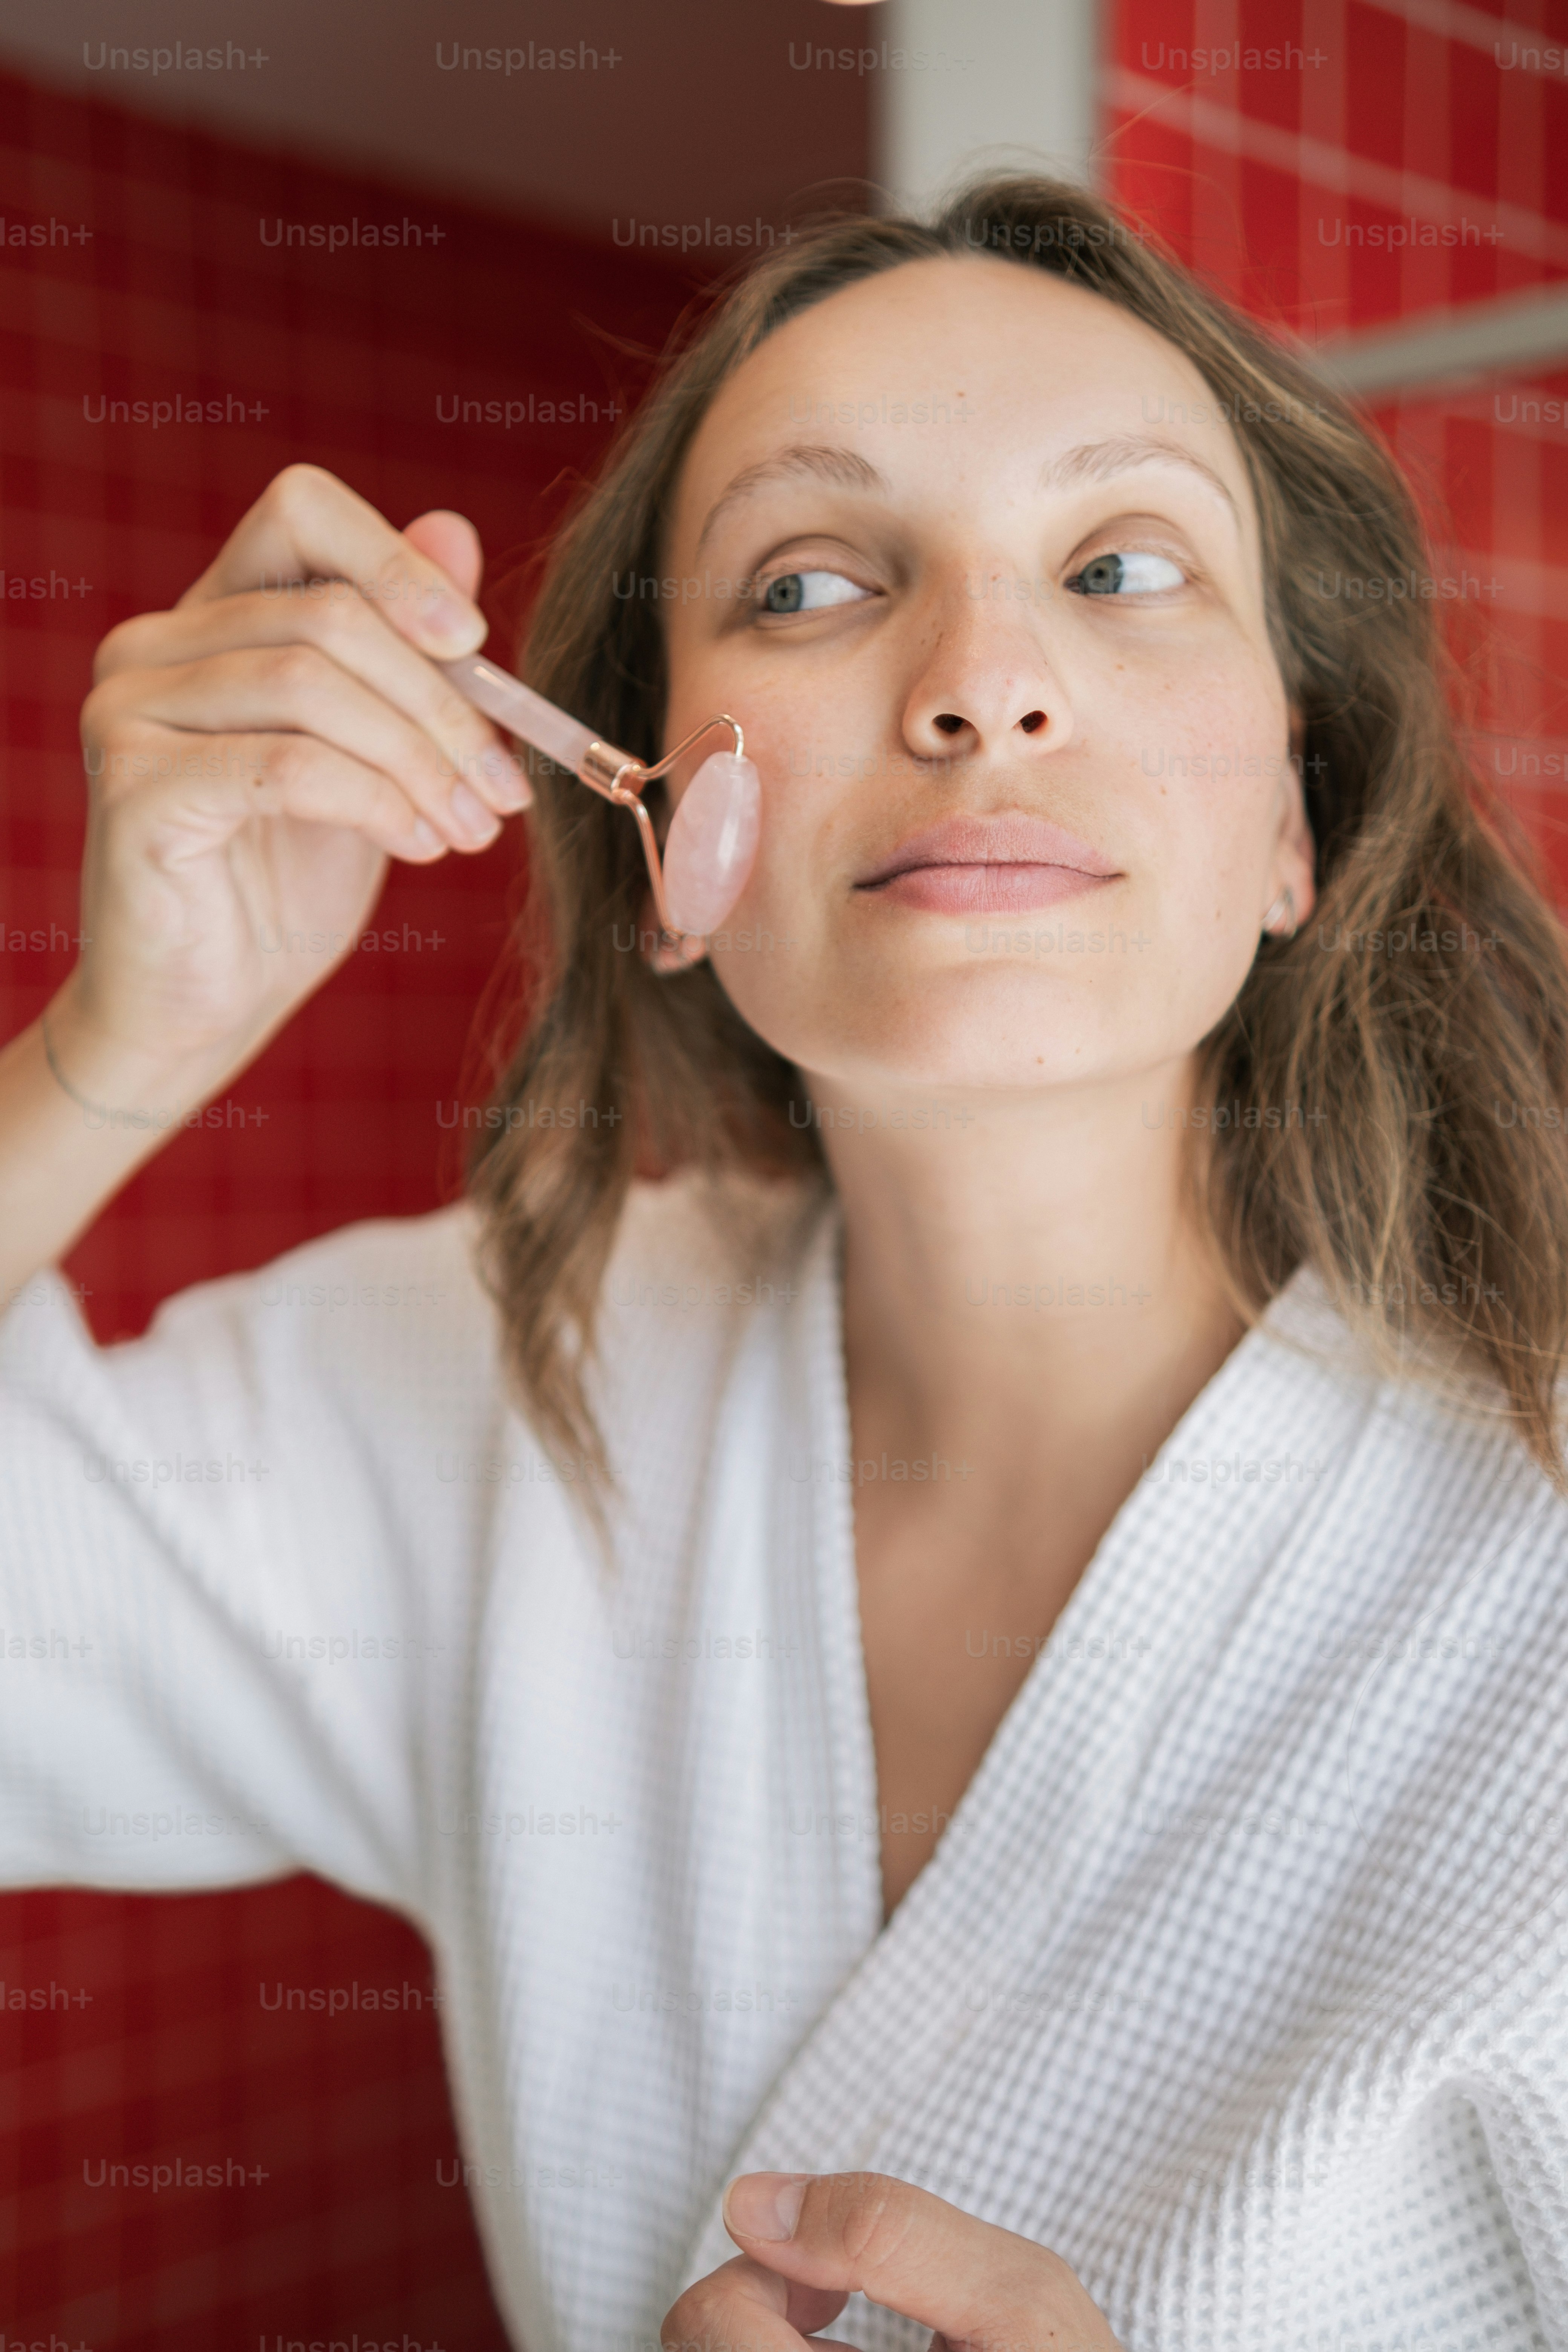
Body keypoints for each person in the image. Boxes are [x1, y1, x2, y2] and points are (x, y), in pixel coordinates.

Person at [2, 173, 1566, 2352]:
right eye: (814, 584)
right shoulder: (500, 1384)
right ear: (663, 836)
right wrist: (115, 1049)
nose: (985, 685)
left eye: (1121, 567)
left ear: (1295, 824)